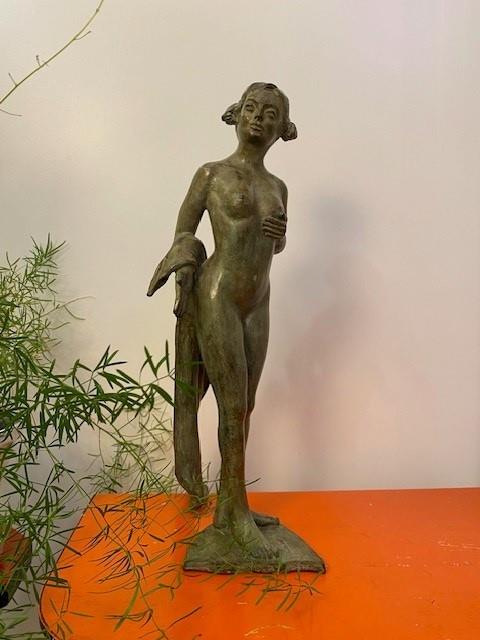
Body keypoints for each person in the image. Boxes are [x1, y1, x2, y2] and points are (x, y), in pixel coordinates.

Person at [148, 82, 297, 560]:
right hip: (219, 293)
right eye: (251, 108)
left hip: (259, 299)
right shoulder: (211, 173)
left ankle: (233, 507)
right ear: (235, 115)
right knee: (231, 404)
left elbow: (274, 245)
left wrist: (280, 235)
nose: (258, 118)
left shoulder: (278, 187)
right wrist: (183, 265)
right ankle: (234, 514)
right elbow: (184, 229)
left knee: (245, 404)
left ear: (283, 128)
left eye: (270, 114)